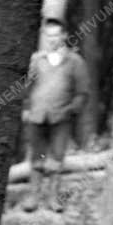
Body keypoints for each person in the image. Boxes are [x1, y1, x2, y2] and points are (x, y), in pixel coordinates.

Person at [21, 16, 89, 212]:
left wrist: (71, 110)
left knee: (56, 159)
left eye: (56, 35)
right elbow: (26, 87)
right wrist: (26, 109)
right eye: (48, 35)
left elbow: (83, 92)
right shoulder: (36, 59)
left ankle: (53, 199)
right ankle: (33, 197)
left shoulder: (74, 61)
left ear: (64, 35)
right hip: (37, 116)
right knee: (36, 158)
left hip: (61, 118)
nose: (52, 39)